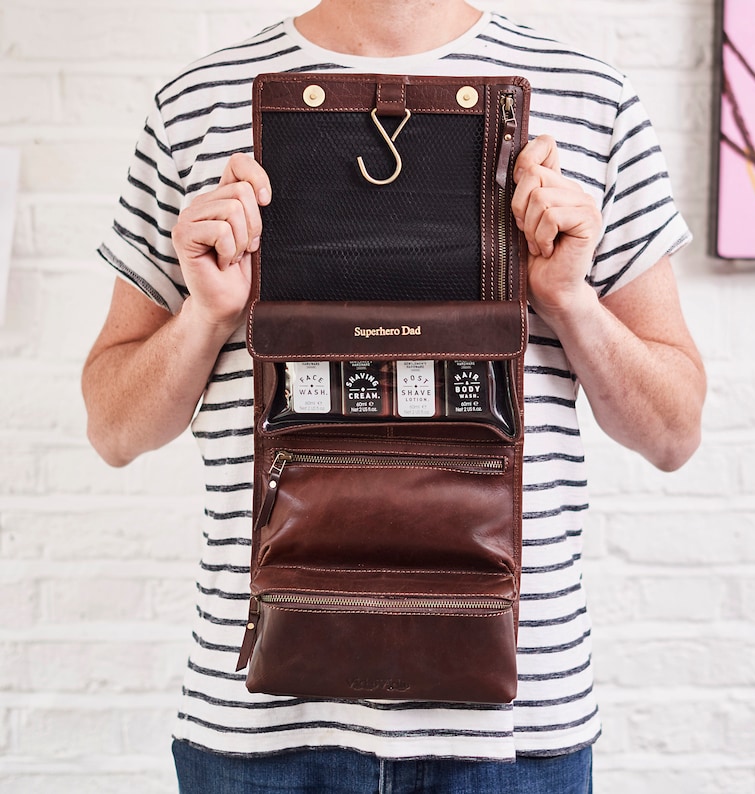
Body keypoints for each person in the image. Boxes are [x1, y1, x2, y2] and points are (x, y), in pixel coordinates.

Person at [82, 1, 706, 791]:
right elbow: (113, 426)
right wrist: (206, 313)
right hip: (257, 732)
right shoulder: (195, 104)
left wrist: (571, 300)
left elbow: (673, 430)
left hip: (515, 738)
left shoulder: (592, 98)